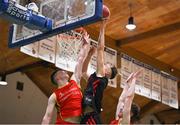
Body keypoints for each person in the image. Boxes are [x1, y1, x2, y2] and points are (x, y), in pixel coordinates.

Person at [41, 30, 91, 124]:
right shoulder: (54, 95)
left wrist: (84, 46)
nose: (65, 70)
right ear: (57, 78)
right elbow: (47, 117)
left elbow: (80, 60)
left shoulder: (74, 81)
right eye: (61, 71)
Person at [80, 19, 118, 124]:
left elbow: (101, 49)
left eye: (107, 65)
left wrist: (102, 27)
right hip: (87, 116)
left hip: (92, 116)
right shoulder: (95, 79)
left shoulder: (102, 77)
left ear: (107, 73)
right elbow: (83, 72)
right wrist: (89, 55)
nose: (104, 63)